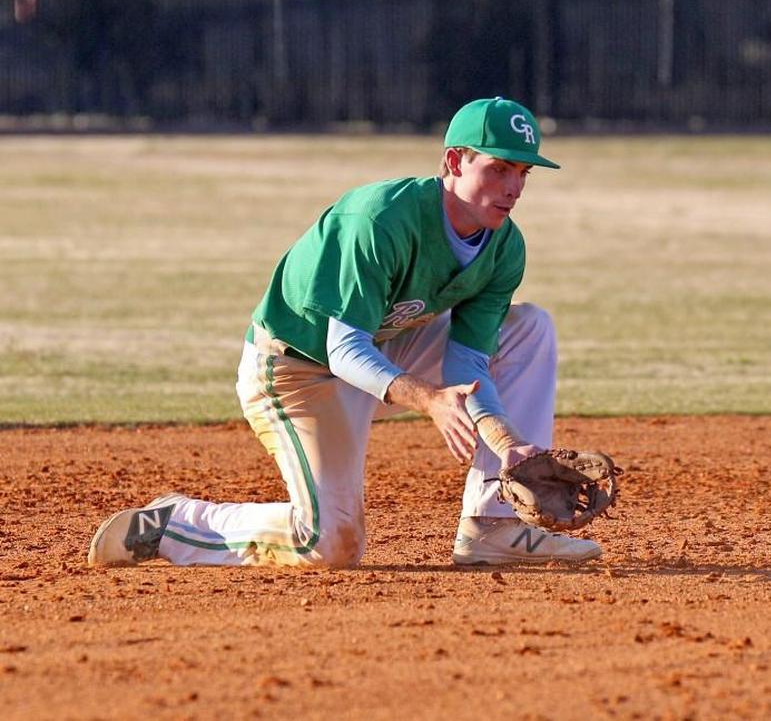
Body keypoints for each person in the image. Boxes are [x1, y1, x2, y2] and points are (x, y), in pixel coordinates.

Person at [88, 97, 602, 568]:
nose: (512, 187)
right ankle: (174, 525)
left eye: (522, 172)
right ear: (453, 162)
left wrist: (506, 441)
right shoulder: (380, 220)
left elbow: (468, 363)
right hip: (296, 371)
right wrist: (429, 400)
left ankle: (496, 525)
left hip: (384, 353)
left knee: (527, 327)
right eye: (498, 168)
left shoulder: (503, 247)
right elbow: (344, 348)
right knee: (329, 545)